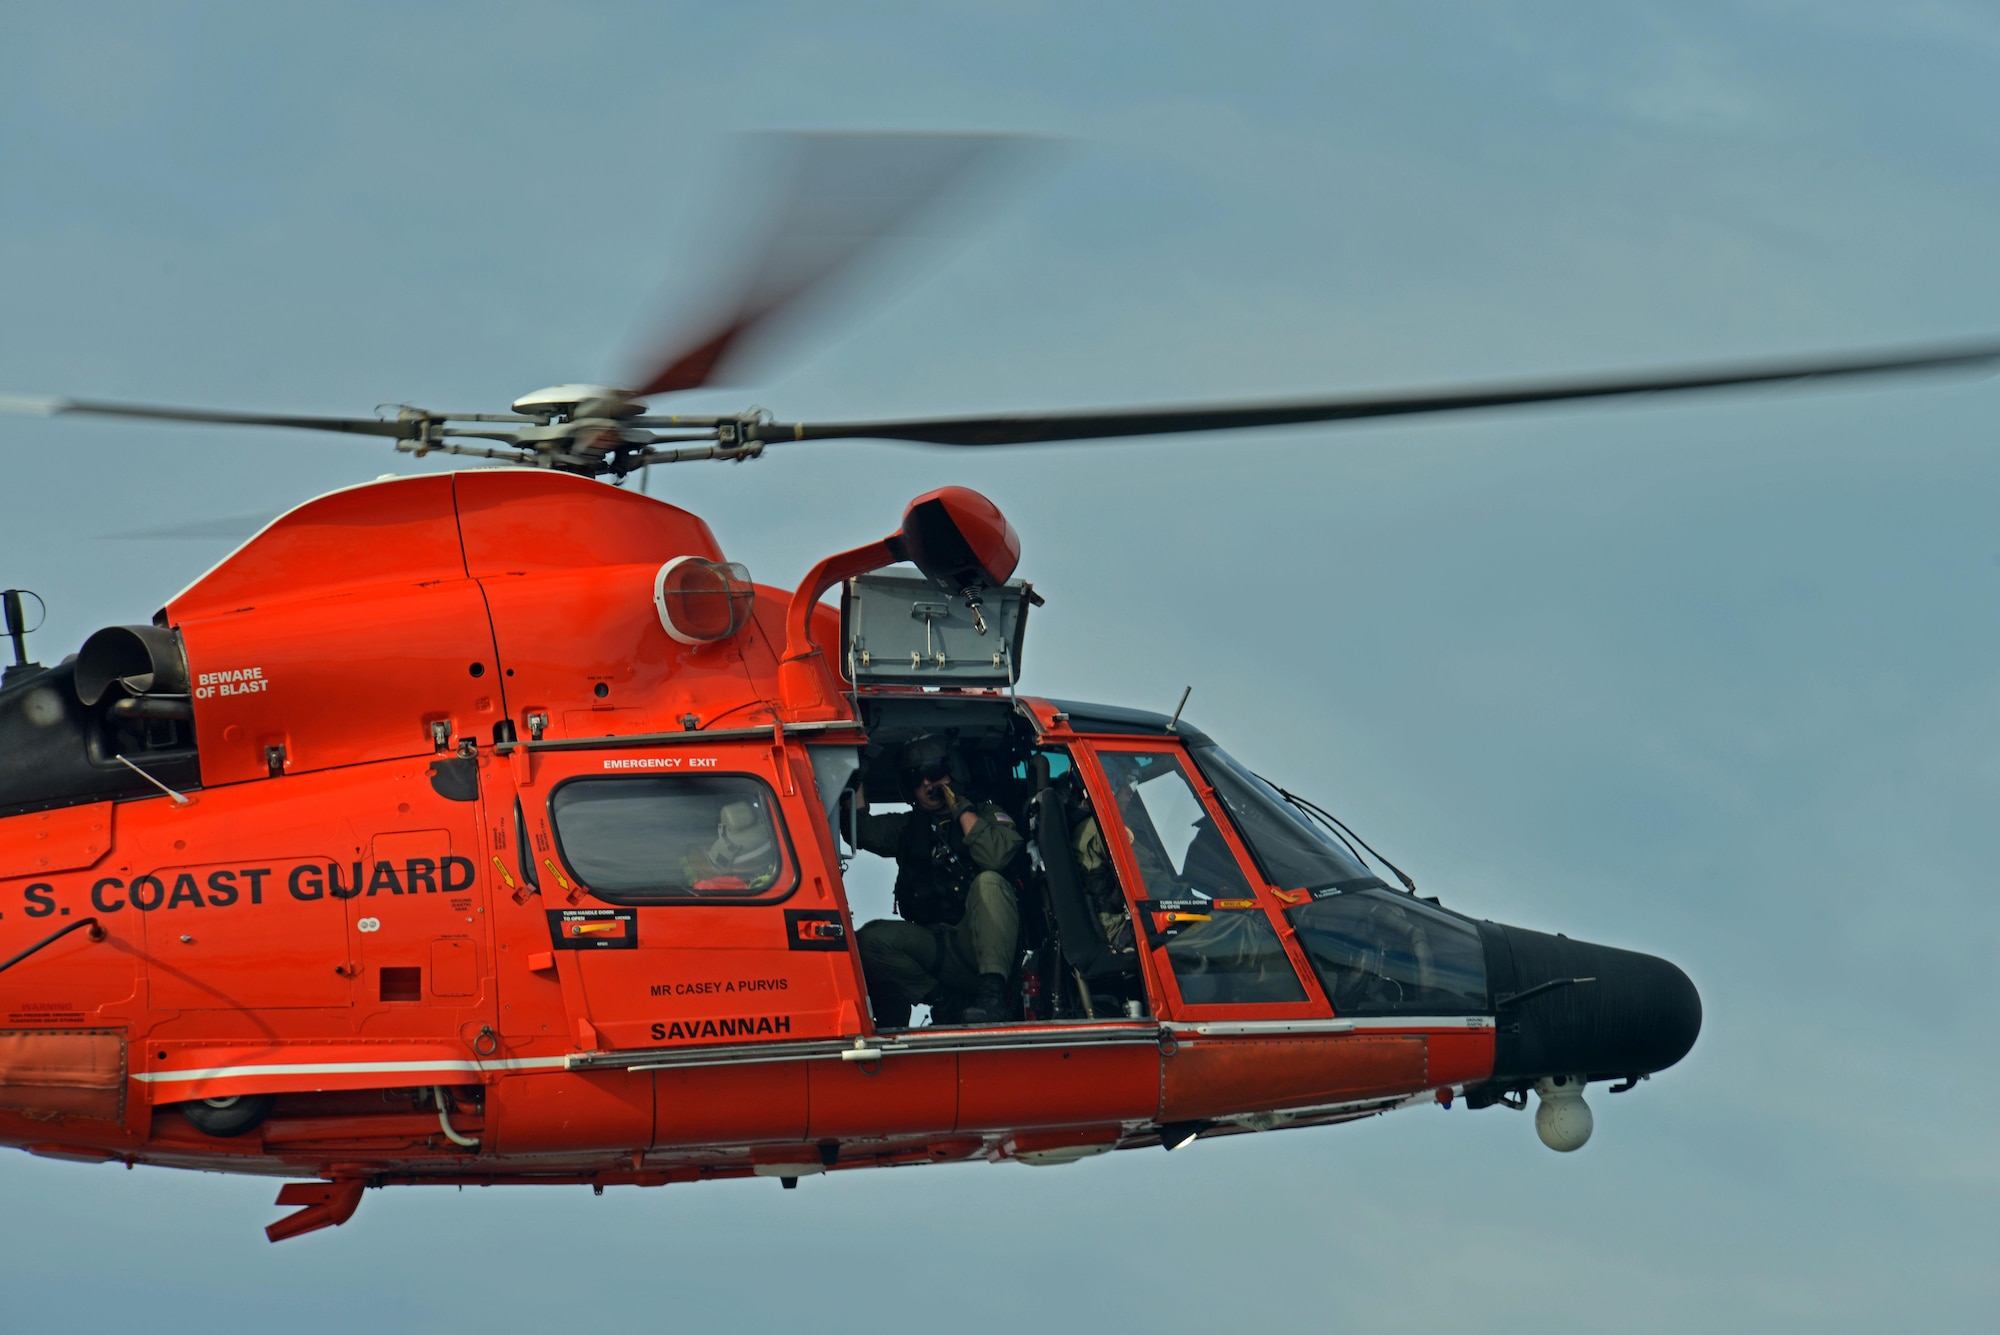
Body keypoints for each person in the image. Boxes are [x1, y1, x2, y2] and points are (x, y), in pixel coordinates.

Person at [850, 735, 1023, 1026]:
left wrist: (961, 808)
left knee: (989, 881)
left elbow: (995, 856)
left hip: (978, 947)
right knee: (870, 940)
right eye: (918, 780)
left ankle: (991, 999)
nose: (928, 785)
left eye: (934, 774)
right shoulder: (909, 828)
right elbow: (862, 831)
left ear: (953, 772)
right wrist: (856, 776)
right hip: (936, 948)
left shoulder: (988, 815)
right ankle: (944, 1001)